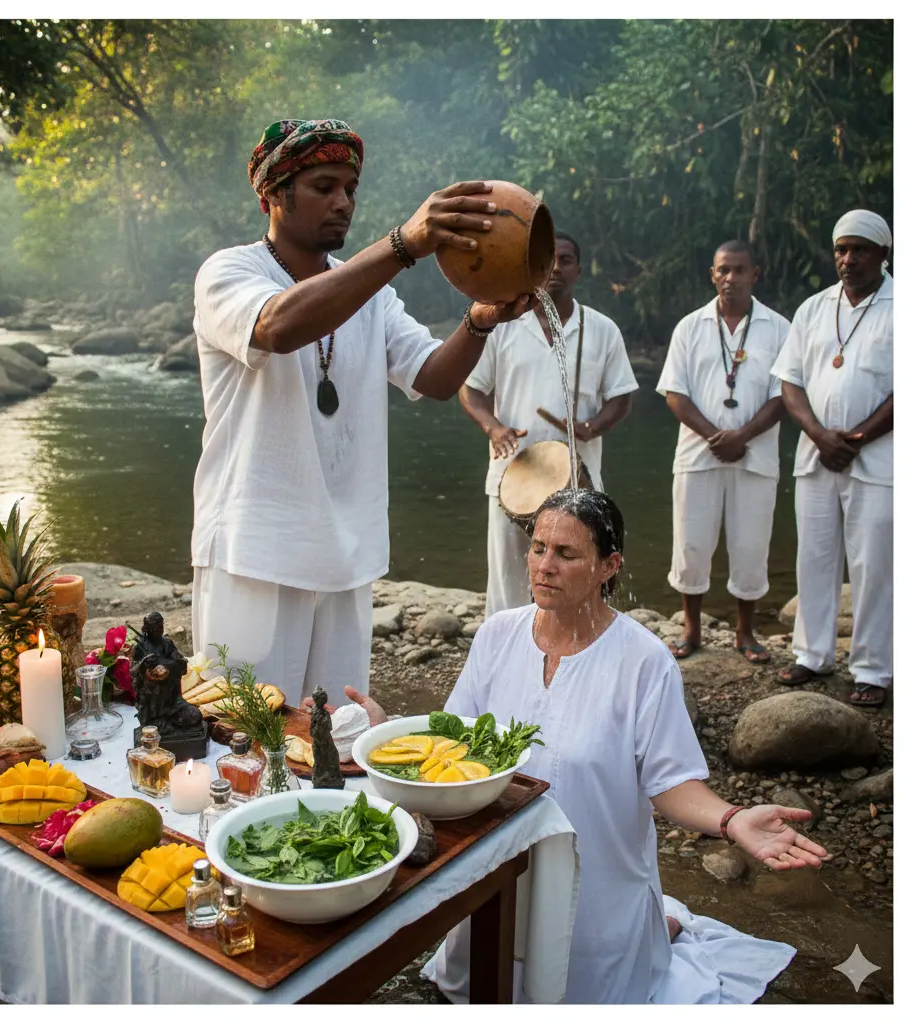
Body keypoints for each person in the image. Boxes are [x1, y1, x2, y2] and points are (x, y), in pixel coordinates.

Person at [422, 488, 829, 1004]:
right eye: (538, 547)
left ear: (608, 566)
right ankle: (658, 926)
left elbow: (671, 781)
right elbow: (451, 740)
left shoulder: (644, 661)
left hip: (596, 880)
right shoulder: (498, 635)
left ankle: (653, 929)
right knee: (480, 986)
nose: (544, 566)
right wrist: (385, 731)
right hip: (499, 864)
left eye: (566, 554)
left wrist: (731, 819)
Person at [190, 118, 531, 708]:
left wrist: (478, 322)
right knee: (246, 733)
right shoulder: (229, 271)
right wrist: (401, 246)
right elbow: (276, 327)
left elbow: (434, 377)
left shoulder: (374, 295)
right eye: (323, 187)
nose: (343, 202)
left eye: (350, 189)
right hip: (254, 550)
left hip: (346, 557)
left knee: (339, 732)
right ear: (273, 195)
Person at [459, 232, 638, 616]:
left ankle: (571, 646)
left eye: (566, 260)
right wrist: (493, 428)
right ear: (533, 266)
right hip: (513, 477)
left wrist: (593, 426)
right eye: (548, 260)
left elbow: (622, 397)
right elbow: (471, 390)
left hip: (577, 479)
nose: (556, 268)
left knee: (576, 581)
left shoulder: (602, 328)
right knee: (508, 584)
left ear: (579, 270)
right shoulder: (502, 324)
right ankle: (506, 649)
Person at [771, 210, 893, 707]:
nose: (848, 259)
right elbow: (790, 381)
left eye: (859, 249)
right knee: (815, 557)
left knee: (874, 565)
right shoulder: (814, 308)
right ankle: (812, 654)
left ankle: (873, 669)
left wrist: (858, 438)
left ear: (883, 254)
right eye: (841, 249)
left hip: (880, 460)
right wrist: (820, 435)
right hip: (817, 456)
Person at [656, 241, 790, 663]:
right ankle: (691, 629)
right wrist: (716, 436)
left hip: (756, 456)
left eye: (739, 269)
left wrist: (742, 436)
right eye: (723, 270)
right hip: (698, 455)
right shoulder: (690, 327)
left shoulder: (778, 328)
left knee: (751, 546)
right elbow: (675, 394)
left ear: (756, 273)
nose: (731, 278)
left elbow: (784, 394)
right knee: (691, 544)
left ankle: (745, 632)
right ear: (712, 275)